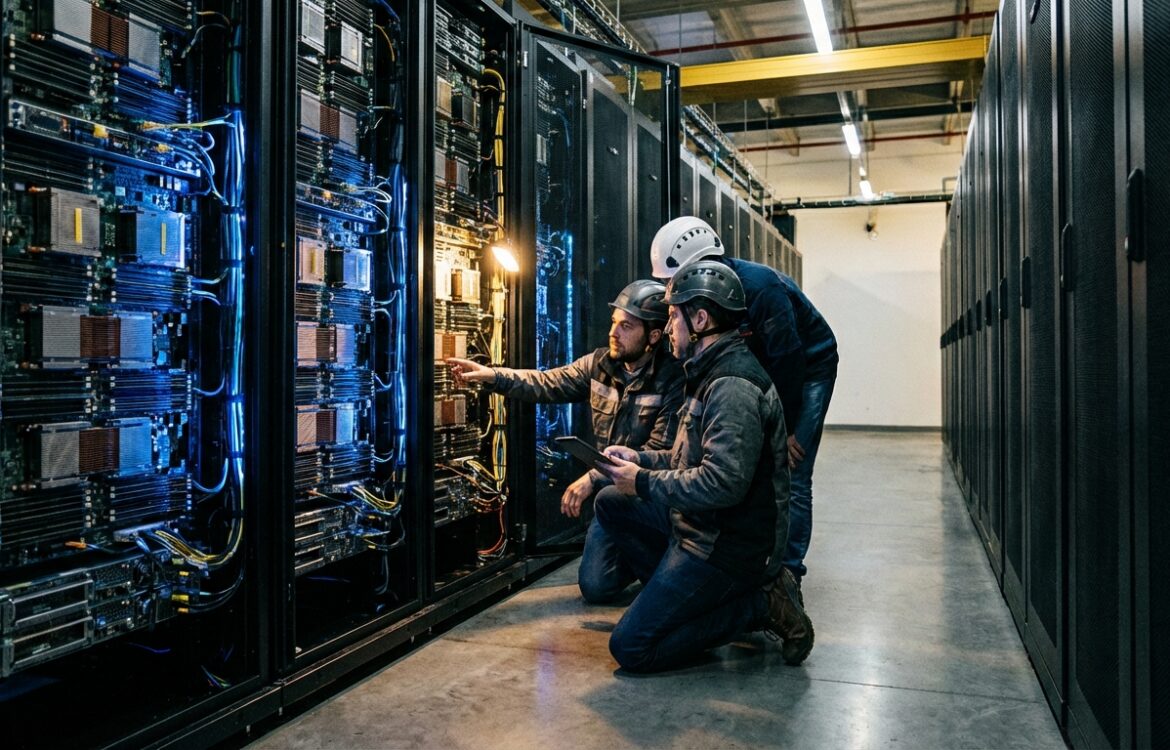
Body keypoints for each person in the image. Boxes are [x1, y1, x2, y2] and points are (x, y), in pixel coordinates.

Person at [594, 259, 814, 673]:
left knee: (632, 648)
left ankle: (758, 604)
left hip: (726, 545)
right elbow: (686, 460)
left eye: (674, 316)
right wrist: (638, 459)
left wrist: (642, 482)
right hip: (698, 524)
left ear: (700, 319)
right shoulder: (704, 369)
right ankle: (688, 601)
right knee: (611, 501)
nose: (669, 326)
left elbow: (722, 483)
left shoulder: (731, 385)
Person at [447, 280, 684, 604]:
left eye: (626, 326)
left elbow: (656, 452)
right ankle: (637, 557)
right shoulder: (600, 365)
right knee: (595, 587)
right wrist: (492, 376)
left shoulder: (672, 379)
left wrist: (592, 477)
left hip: (648, 494)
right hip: (611, 495)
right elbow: (546, 382)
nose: (614, 332)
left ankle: (661, 575)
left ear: (654, 336)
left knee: (652, 564)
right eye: (614, 322)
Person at [649, 216, 838, 591]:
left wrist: (788, 431)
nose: (673, 289)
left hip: (809, 366)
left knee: (792, 470)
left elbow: (788, 359)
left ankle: (787, 576)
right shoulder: (704, 298)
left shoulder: (760, 288)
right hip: (766, 365)